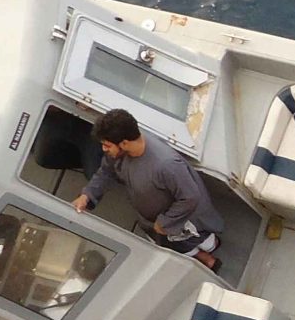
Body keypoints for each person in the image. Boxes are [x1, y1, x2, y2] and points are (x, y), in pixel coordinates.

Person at [73, 109, 224, 270]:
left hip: (181, 222)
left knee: (195, 242)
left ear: (124, 143)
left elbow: (190, 197)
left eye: (107, 145)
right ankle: (201, 255)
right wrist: (87, 195)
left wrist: (165, 222)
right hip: (151, 221)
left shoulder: (167, 164)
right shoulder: (117, 154)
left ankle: (210, 251)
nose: (104, 149)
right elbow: (106, 171)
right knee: (172, 244)